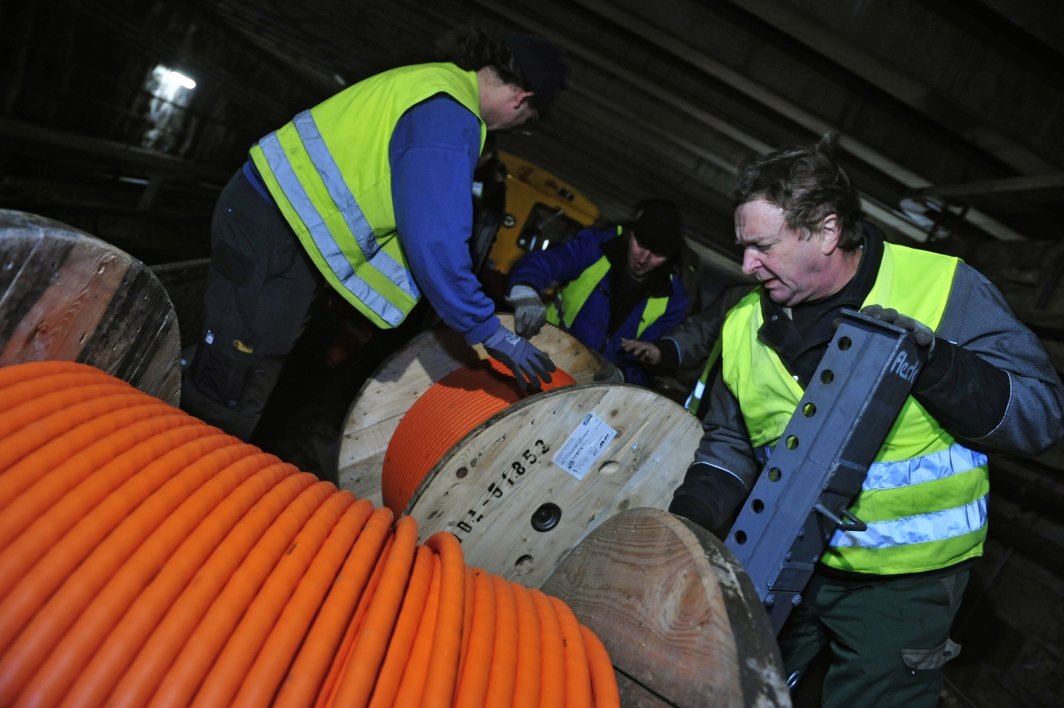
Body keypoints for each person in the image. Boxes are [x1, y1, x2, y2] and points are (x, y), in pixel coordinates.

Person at [669, 135, 1064, 707]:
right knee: (726, 688)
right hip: (782, 556)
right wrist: (691, 524)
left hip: (906, 584)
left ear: (827, 231)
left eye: (763, 246)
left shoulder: (943, 289)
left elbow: (1041, 417)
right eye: (744, 247)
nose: (747, 264)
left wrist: (936, 364)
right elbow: (731, 441)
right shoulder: (742, 323)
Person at [182, 28, 568, 440]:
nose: (512, 127)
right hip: (278, 233)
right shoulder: (451, 114)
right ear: (521, 100)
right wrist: (487, 329)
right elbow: (435, 237)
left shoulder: (432, 80)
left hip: (276, 221)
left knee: (234, 358)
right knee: (235, 375)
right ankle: (184, 465)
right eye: (524, 123)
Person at [505, 200, 690, 385]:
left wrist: (622, 375)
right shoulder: (596, 247)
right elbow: (548, 262)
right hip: (544, 352)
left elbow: (649, 362)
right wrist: (525, 290)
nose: (643, 258)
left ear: (669, 257)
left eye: (656, 254)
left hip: (592, 386)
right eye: (641, 244)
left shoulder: (673, 299)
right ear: (632, 233)